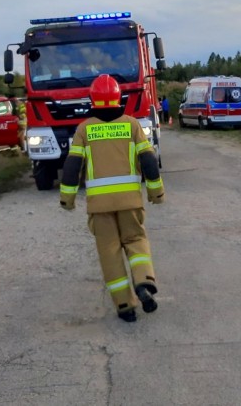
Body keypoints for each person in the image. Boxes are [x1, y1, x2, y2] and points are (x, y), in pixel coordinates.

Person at [59, 74, 165, 322]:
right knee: (136, 241)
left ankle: (125, 306)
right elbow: (149, 160)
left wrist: (68, 198)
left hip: (99, 206)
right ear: (119, 98)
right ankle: (143, 281)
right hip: (130, 202)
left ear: (92, 100)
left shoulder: (84, 129)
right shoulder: (132, 125)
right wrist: (156, 192)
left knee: (110, 253)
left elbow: (73, 165)